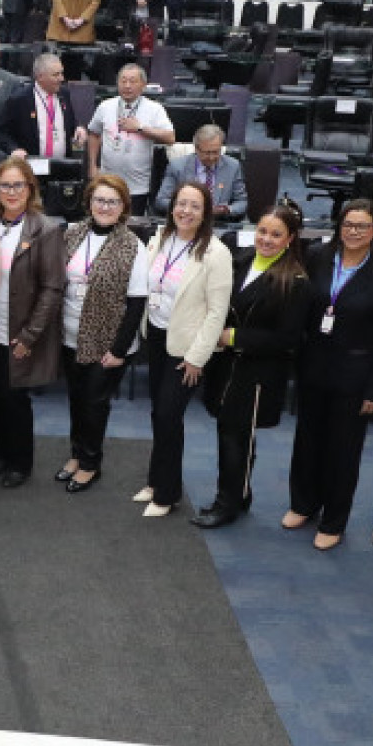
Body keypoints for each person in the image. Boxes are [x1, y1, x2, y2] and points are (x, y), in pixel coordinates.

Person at [285, 200, 373, 551]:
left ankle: (333, 520)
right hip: (314, 367)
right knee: (307, 441)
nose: (353, 232)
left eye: (362, 226)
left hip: (356, 376)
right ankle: (303, 504)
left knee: (342, 451)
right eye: (348, 224)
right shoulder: (318, 255)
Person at [193, 204, 310, 529]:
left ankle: (226, 503)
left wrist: (233, 336)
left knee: (235, 437)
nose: (267, 239)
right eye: (262, 231)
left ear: (289, 239)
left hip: (257, 373)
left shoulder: (295, 280)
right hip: (228, 366)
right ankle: (240, 494)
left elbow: (287, 338)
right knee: (231, 433)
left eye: (276, 234)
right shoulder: (241, 260)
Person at [129, 181, 232, 518]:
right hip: (157, 337)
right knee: (159, 413)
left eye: (195, 206)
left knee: (170, 416)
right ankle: (156, 481)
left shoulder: (216, 253)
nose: (186, 211)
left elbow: (217, 313)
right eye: (181, 204)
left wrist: (196, 357)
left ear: (205, 214)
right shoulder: (160, 238)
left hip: (187, 350)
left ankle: (168, 494)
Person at [54, 174, 146, 494]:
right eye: (99, 200)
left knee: (95, 403)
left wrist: (119, 350)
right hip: (69, 332)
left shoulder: (133, 246)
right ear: (89, 202)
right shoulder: (72, 234)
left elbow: (136, 305)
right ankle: (77, 454)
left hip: (109, 341)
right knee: (76, 400)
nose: (104, 207)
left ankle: (91, 463)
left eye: (112, 201)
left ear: (123, 207)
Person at [0, 157, 63, 489]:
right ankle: (0, 453)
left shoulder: (45, 229)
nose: (11, 192)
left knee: (15, 401)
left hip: (19, 333)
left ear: (30, 189)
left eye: (18, 185)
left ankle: (20, 462)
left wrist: (30, 336)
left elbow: (52, 288)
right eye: (5, 185)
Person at [87, 63, 175, 216]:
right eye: (123, 81)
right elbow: (94, 133)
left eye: (133, 81)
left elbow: (170, 137)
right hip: (107, 182)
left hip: (137, 186)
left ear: (143, 85)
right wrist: (93, 165)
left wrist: (140, 128)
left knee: (132, 227)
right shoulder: (105, 106)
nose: (127, 86)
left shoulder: (155, 109)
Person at [153, 125, 246, 220]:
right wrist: (188, 208)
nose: (211, 157)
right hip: (186, 221)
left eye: (216, 152)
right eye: (207, 153)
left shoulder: (233, 166)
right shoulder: (177, 166)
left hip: (218, 223)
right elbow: (161, 201)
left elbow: (242, 202)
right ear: (196, 149)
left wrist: (226, 210)